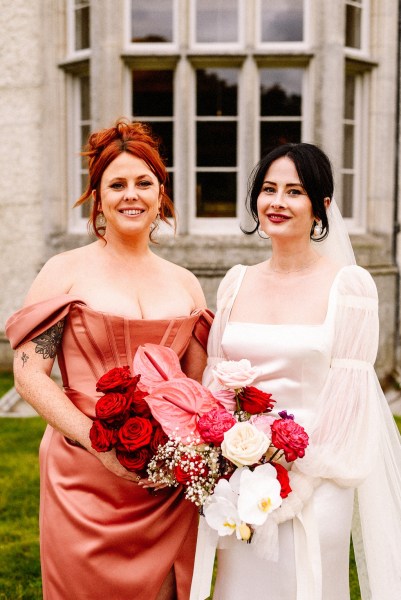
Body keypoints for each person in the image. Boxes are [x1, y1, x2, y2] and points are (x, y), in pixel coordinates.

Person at [6, 118, 212, 600]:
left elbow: (198, 384)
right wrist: (96, 444)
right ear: (98, 197)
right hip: (83, 473)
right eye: (116, 184)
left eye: (144, 182)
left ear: (161, 193)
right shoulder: (64, 271)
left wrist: (193, 452)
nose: (131, 195)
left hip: (165, 482)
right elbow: (28, 374)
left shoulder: (185, 283)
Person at [190, 143, 401, 600]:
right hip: (238, 478)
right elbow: (216, 379)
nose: (277, 202)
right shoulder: (235, 281)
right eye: (268, 189)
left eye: (294, 191)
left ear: (322, 207)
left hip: (318, 480)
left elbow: (350, 401)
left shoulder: (350, 288)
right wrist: (226, 462)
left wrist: (295, 486)